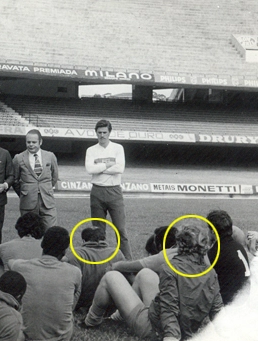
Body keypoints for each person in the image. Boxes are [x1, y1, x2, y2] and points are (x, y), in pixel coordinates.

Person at [83, 224, 224, 341]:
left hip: (155, 328)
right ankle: (118, 317)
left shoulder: (171, 268)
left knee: (111, 277)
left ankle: (91, 321)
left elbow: (169, 306)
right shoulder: (210, 271)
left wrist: (171, 339)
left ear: (180, 244)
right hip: (185, 326)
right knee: (145, 273)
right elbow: (217, 307)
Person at [7, 226, 81, 341]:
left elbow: (10, 262)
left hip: (24, 333)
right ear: (64, 250)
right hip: (62, 335)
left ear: (42, 244)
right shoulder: (74, 271)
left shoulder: (21, 266)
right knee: (73, 290)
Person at [85, 119, 132, 259]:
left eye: (105, 132)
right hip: (97, 191)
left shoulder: (118, 148)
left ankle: (127, 261)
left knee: (121, 230)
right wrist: (108, 165)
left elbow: (120, 168)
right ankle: (100, 260)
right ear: (96, 133)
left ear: (109, 132)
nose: (102, 135)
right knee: (98, 230)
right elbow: (89, 169)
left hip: (114, 192)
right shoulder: (91, 150)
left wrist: (99, 168)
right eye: (99, 133)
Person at [64, 226, 125, 310]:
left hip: (82, 302)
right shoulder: (117, 253)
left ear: (84, 240)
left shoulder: (75, 254)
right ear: (104, 239)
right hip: (110, 302)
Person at [12, 129, 59, 229]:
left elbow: (54, 177)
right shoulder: (18, 158)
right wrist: (24, 193)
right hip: (27, 202)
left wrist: (46, 189)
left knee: (50, 231)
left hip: (47, 201)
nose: (31, 145)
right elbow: (15, 180)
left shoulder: (50, 156)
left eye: (34, 142)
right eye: (28, 142)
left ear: (40, 142)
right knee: (29, 233)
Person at [206, 210, 250, 305]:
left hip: (229, 305)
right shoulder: (238, 246)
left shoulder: (215, 252)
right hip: (245, 299)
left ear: (213, 232)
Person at [112, 226, 178, 275]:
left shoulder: (164, 256)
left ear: (160, 245)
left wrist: (114, 265)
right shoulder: (182, 250)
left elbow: (128, 266)